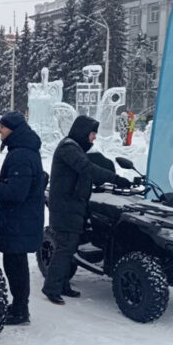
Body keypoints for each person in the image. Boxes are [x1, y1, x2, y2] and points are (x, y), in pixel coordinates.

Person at [42, 115, 131, 304]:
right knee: (65, 247)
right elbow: (88, 169)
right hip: (65, 207)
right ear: (83, 132)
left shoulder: (76, 148)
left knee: (70, 246)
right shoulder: (68, 148)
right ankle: (51, 288)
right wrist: (115, 178)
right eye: (92, 134)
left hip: (74, 204)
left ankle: (63, 284)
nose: (93, 138)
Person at [0, 111, 45, 326]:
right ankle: (19, 307)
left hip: (19, 220)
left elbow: (17, 193)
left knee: (16, 265)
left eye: (3, 126)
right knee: (17, 264)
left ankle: (20, 310)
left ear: (13, 130)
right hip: (22, 219)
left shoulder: (20, 155)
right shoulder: (25, 151)